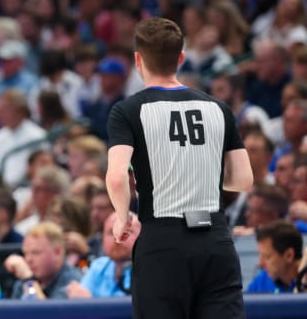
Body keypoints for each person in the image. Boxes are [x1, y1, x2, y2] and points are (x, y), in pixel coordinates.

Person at [105, 17, 253, 319]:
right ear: (181, 58)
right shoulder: (219, 108)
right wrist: (199, 177)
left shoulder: (128, 110)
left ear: (138, 60)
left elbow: (118, 177)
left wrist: (122, 218)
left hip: (163, 242)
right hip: (216, 239)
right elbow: (244, 180)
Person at [63, 211, 141, 298]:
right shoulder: (99, 266)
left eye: (127, 232)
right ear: (102, 238)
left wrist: (89, 302)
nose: (117, 238)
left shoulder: (148, 270)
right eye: (111, 232)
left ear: (141, 236)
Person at [246, 220, 303, 293]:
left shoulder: (304, 282)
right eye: (261, 255)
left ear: (289, 255)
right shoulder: (262, 280)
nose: (260, 263)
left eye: (267, 257)